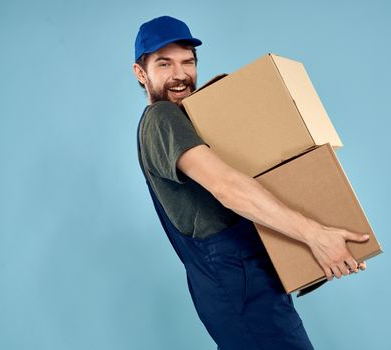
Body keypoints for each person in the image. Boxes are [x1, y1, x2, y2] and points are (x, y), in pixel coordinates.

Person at [133, 15, 368, 350]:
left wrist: (311, 255)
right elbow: (227, 187)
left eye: (188, 62)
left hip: (241, 280)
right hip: (237, 283)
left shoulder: (189, 121)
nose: (180, 75)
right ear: (141, 73)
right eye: (165, 64)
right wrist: (315, 236)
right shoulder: (162, 119)